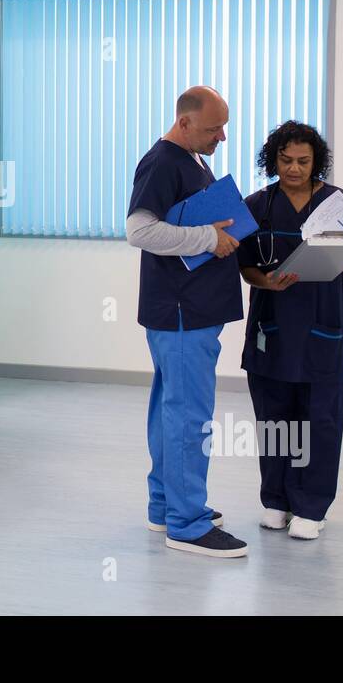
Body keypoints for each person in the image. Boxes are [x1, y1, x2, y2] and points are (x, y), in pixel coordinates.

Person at [237, 121, 343, 540]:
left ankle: (311, 506)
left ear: (317, 161)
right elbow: (245, 266)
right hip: (272, 332)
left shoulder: (338, 204)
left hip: (323, 333)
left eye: (303, 161)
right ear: (273, 160)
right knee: (274, 419)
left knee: (319, 421)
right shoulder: (258, 206)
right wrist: (266, 281)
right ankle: (276, 500)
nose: (294, 169)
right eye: (285, 160)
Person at [126, 86, 249, 558]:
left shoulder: (192, 160)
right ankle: (188, 523)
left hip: (186, 311)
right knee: (187, 416)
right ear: (184, 123)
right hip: (181, 311)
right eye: (214, 128)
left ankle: (165, 506)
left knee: (170, 408)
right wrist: (206, 238)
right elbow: (139, 230)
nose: (221, 136)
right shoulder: (162, 162)